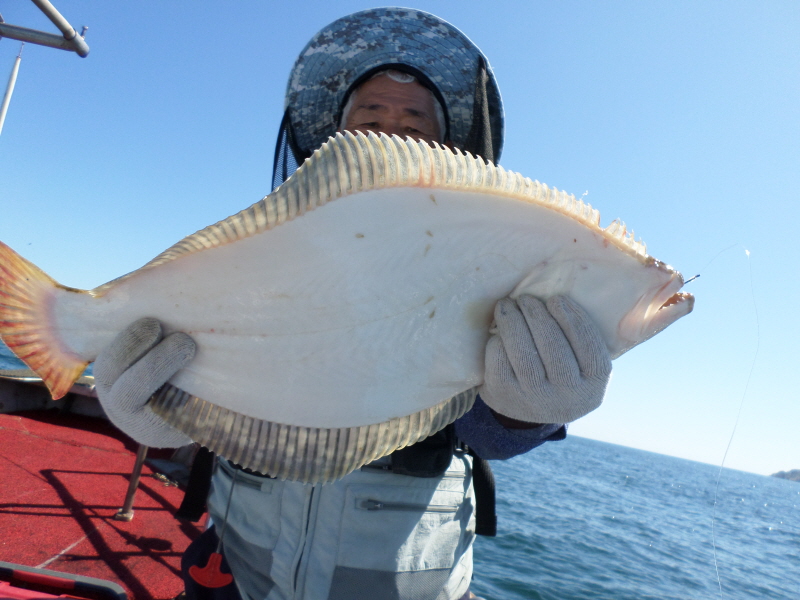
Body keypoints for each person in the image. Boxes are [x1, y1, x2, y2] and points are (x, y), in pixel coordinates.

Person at [94, 9, 612, 600]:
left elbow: (485, 430)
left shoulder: (491, 264)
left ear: (448, 151)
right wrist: (158, 409)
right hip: (236, 570)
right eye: (368, 119)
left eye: (415, 124)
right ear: (330, 145)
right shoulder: (259, 254)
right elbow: (213, 373)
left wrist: (529, 412)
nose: (389, 133)